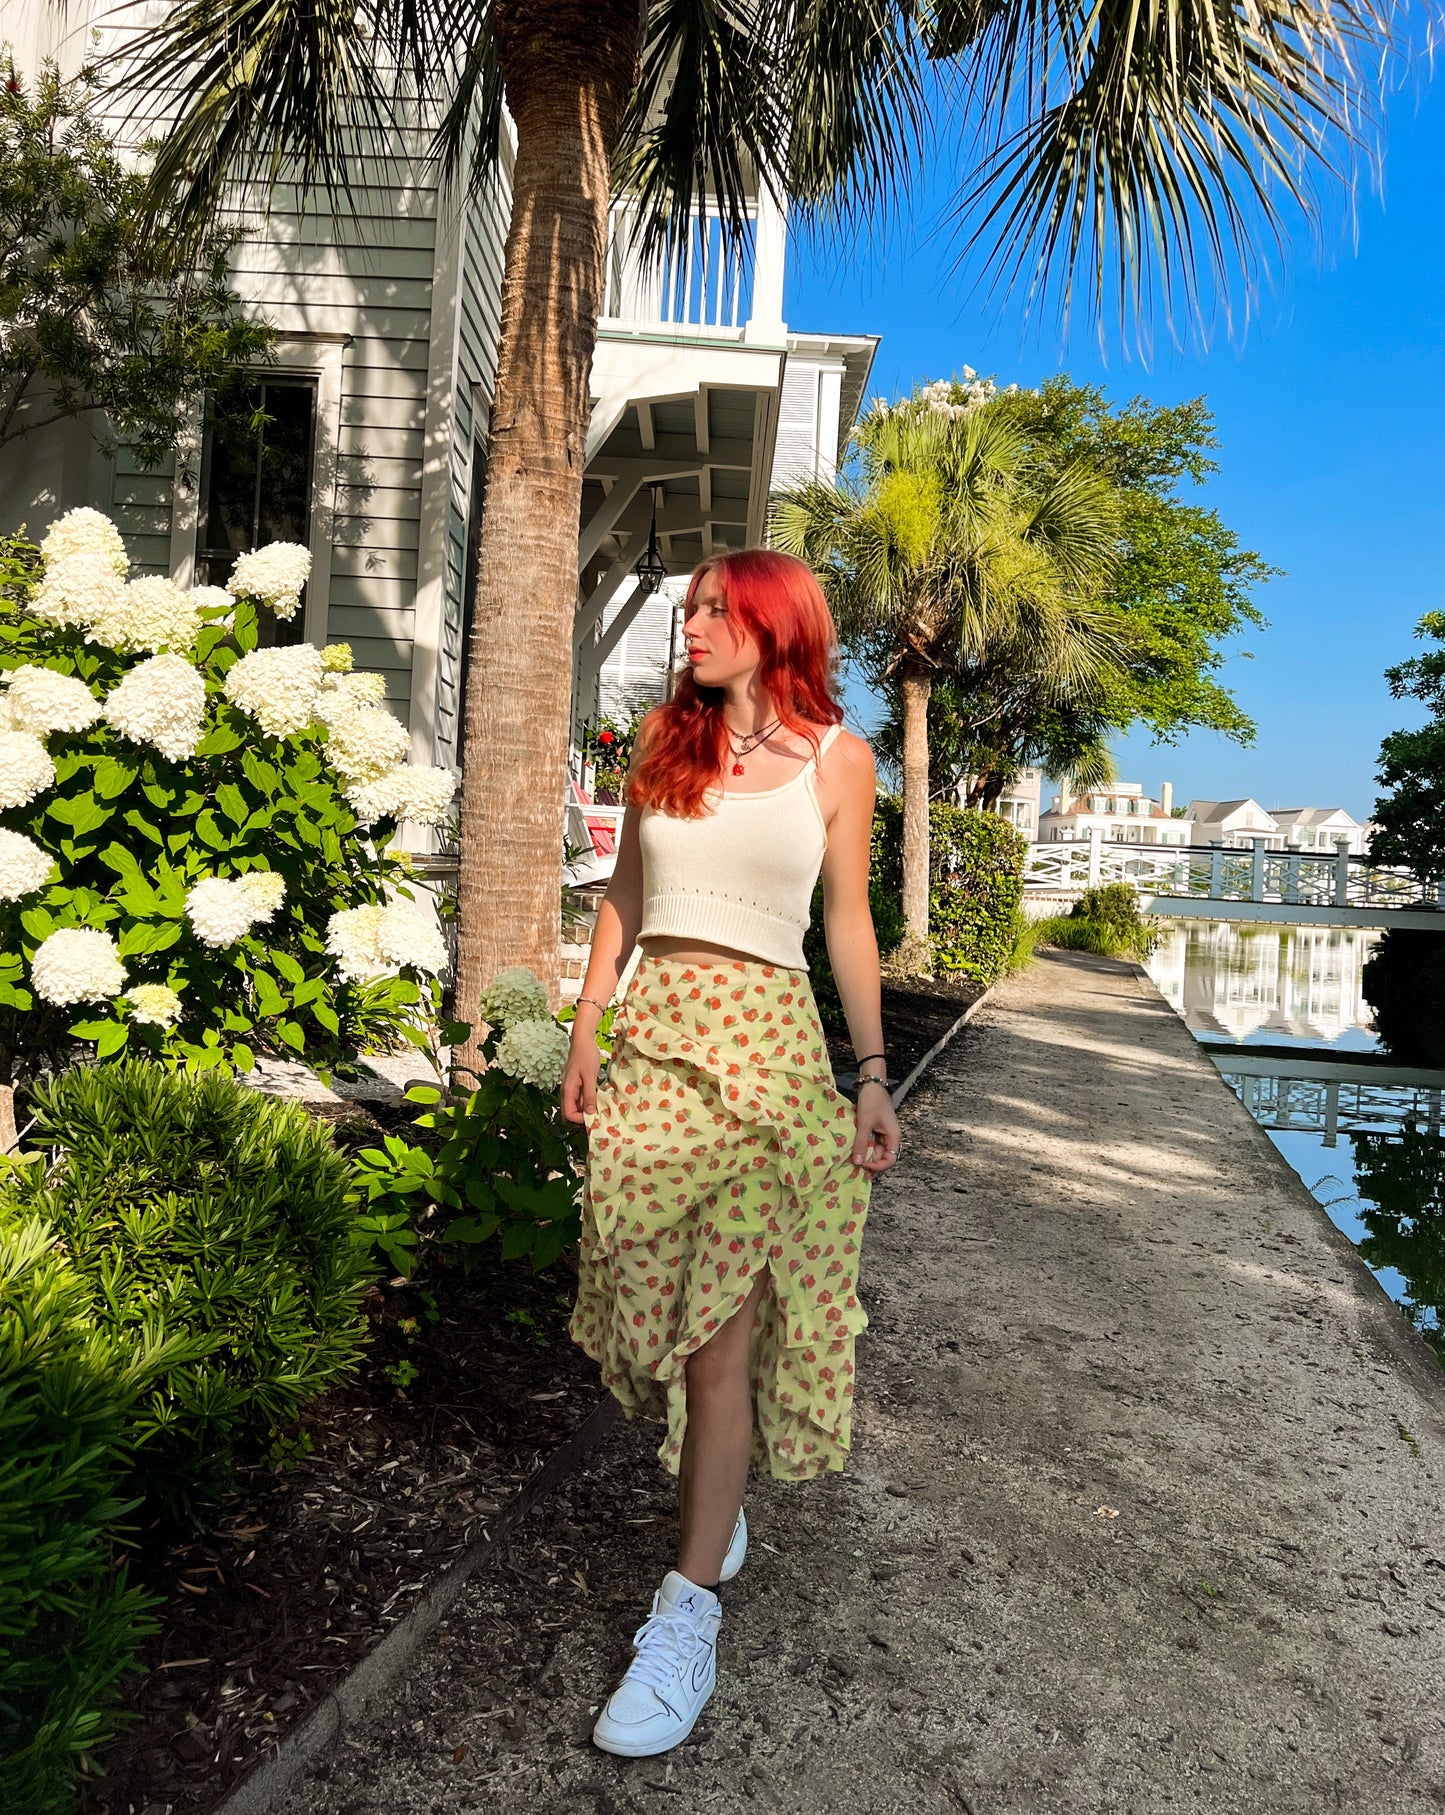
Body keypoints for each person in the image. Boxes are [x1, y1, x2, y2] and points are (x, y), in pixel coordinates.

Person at [561, 547, 901, 1758]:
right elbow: (619, 893)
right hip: (655, 1051)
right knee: (648, 1312)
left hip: (768, 1062)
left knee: (716, 1347)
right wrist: (587, 1024)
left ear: (775, 624)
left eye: (715, 609)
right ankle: (720, 1484)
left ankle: (685, 1611)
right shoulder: (667, 745)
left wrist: (869, 1074)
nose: (691, 624)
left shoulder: (836, 760)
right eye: (690, 607)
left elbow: (846, 920)